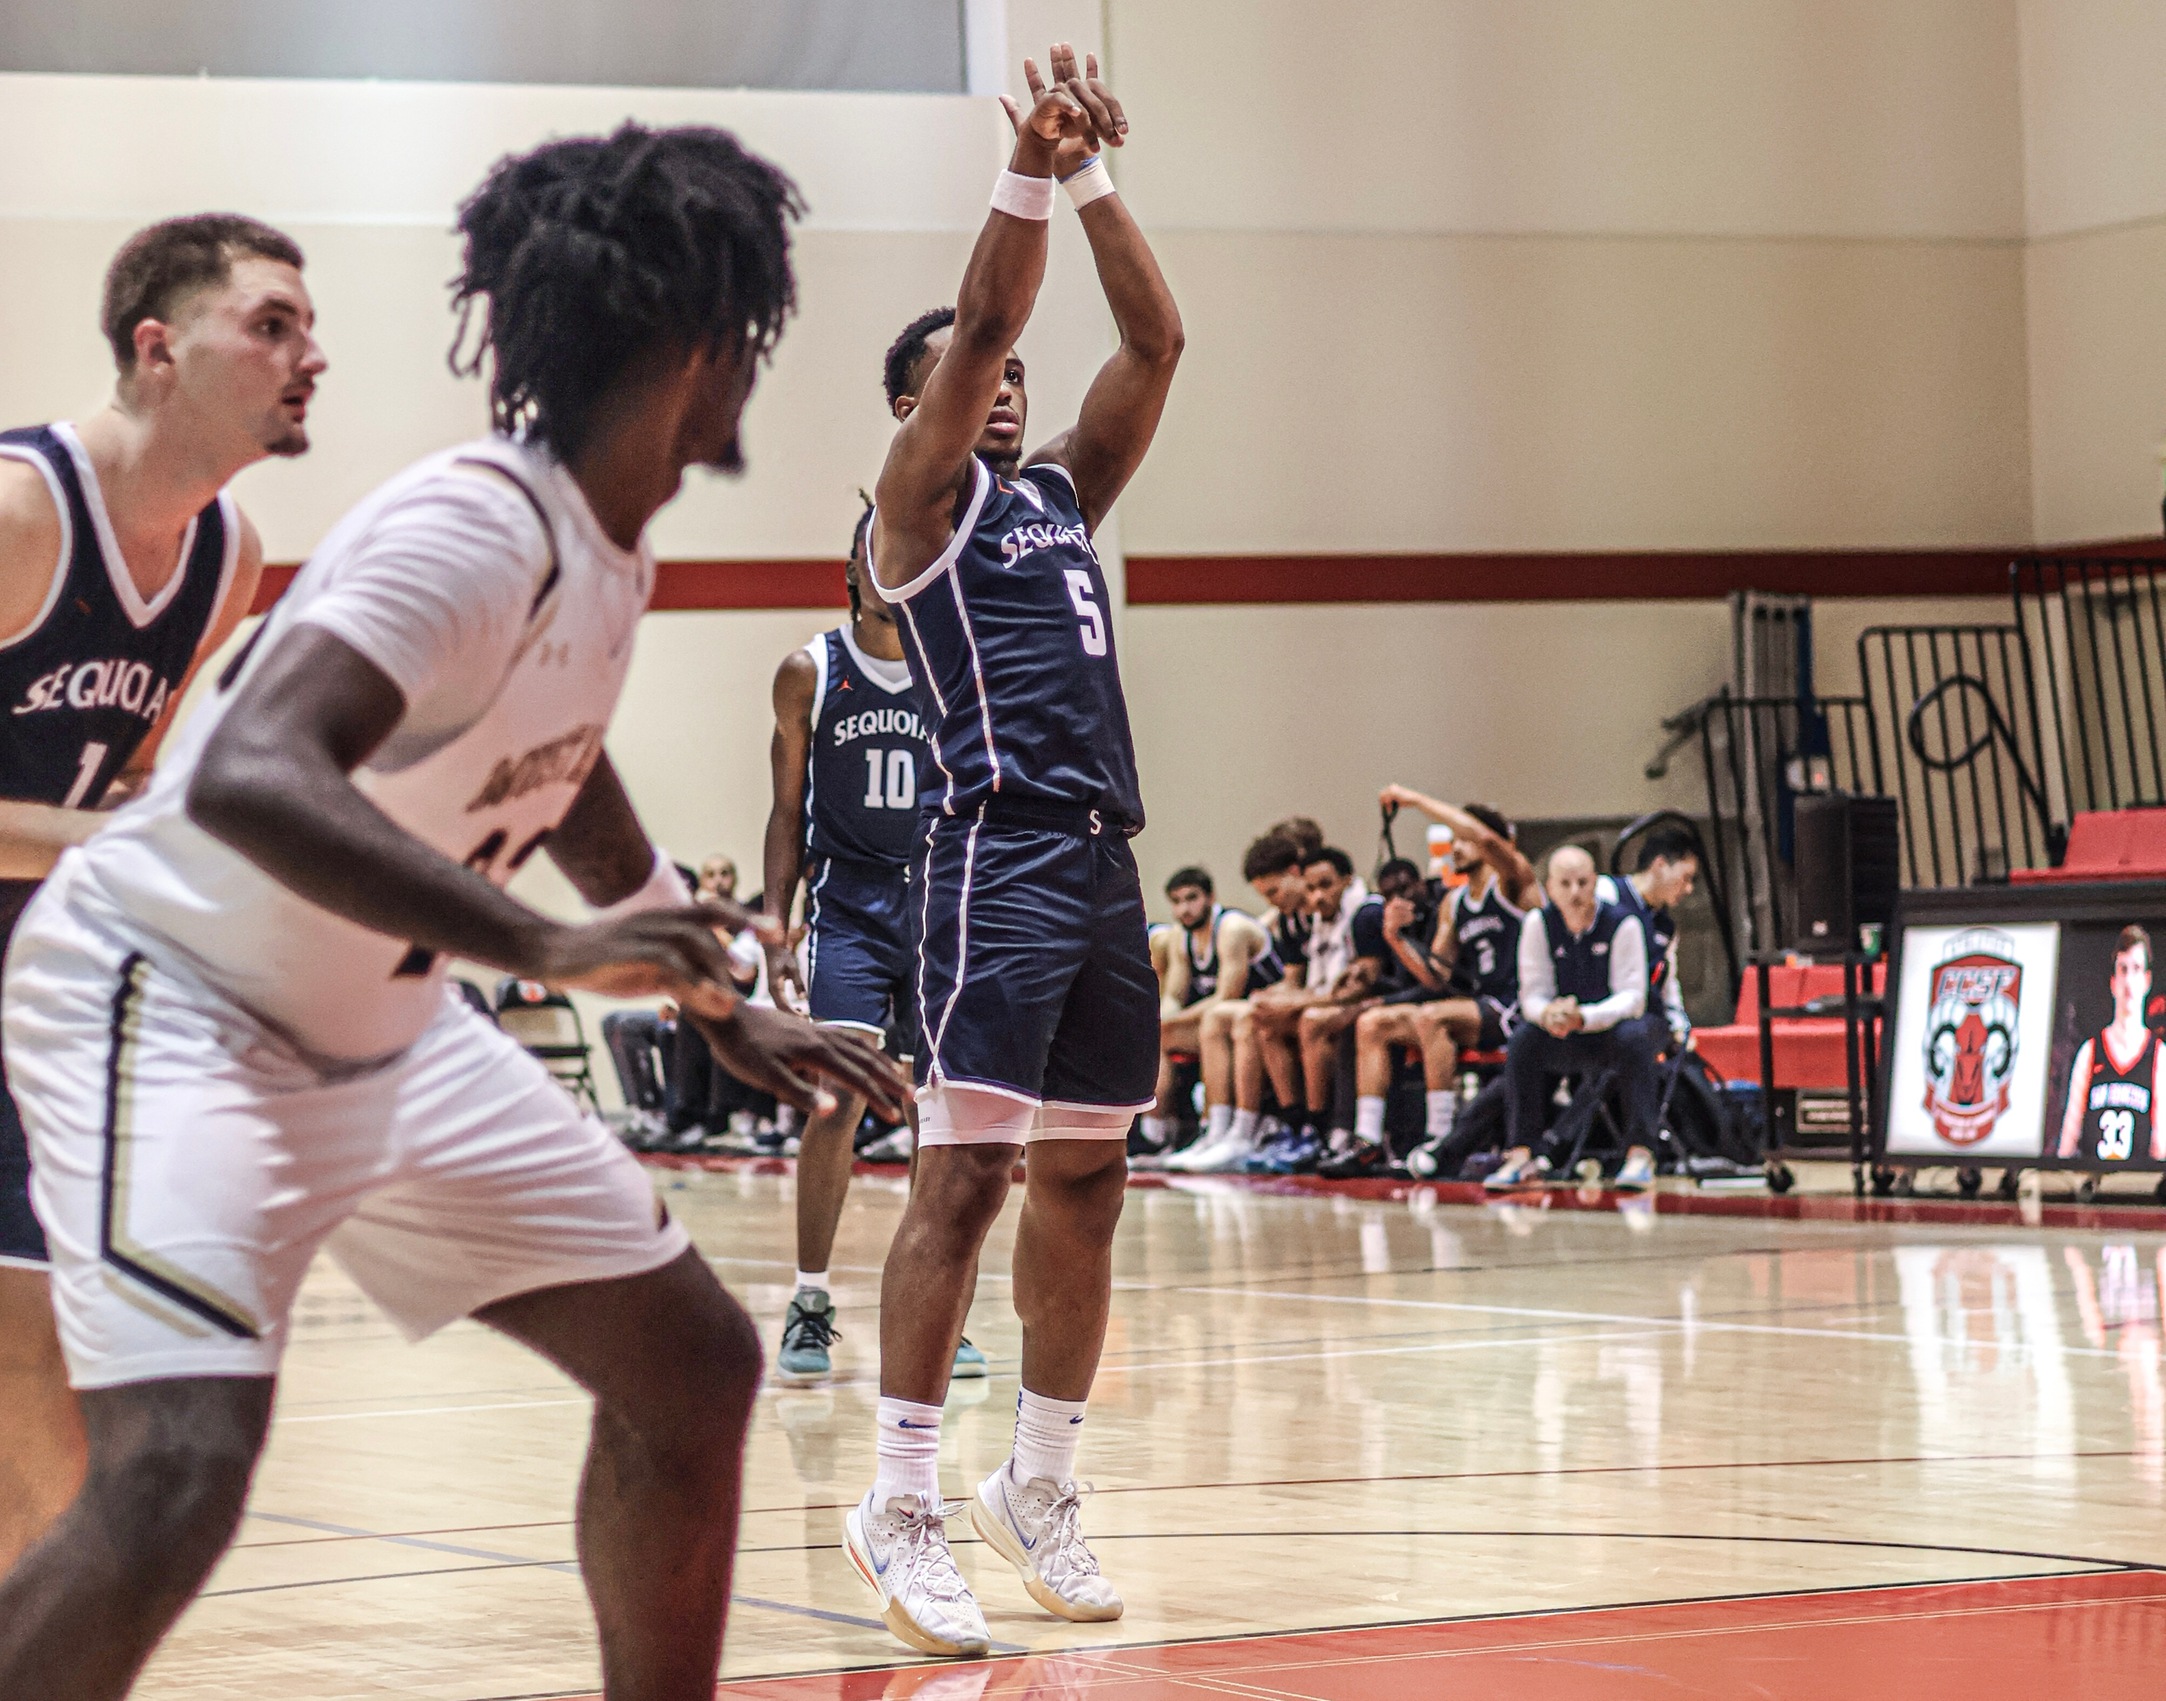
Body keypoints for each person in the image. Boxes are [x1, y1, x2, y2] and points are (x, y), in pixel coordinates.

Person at [0, 125, 910, 1701]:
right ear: (699, 349)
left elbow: (558, 756)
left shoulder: (597, 539)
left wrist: (699, 978)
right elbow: (253, 777)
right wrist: (555, 950)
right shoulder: (471, 523)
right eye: (752, 337)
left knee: (691, 1366)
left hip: (386, 1030)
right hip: (182, 1007)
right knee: (174, 1472)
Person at [847, 44, 1181, 1659]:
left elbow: (1155, 339)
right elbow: (988, 325)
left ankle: (1034, 1481)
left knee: (1089, 1178)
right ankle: (901, 1498)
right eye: (980, 384)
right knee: (964, 1177)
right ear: (923, 406)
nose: (1009, 396)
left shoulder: (1056, 496)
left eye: (1013, 394)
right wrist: (1026, 168)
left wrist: (1100, 169)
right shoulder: (918, 510)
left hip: (1102, 858)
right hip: (991, 854)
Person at [0, 214, 307, 1575]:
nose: (312, 356)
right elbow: (97, 831)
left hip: (33, 989)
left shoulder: (225, 554)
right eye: (272, 325)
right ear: (155, 348)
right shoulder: (17, 515)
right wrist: (127, 848)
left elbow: (120, 780)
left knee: (46, 1363)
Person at [758, 508, 984, 1384]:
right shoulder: (808, 671)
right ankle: (811, 1297)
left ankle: (941, 1307)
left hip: (938, 912)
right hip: (849, 908)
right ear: (851, 568)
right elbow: (786, 813)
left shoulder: (954, 666)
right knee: (835, 1100)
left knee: (946, 1114)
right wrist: (779, 927)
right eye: (872, 550)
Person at [1350, 792, 1539, 1179]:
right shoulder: (1455, 903)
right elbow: (1436, 976)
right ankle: (1365, 1141)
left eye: (1463, 838)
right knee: (1373, 1024)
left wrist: (1414, 801)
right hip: (1482, 1005)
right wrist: (1395, 938)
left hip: (1520, 1006)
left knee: (1431, 1017)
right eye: (1453, 841)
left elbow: (1487, 840)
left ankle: (1441, 1136)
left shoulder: (1512, 882)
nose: (1456, 847)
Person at [1486, 845, 1651, 1190]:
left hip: (1610, 1029)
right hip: (1565, 1031)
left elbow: (1633, 998)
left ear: (1595, 883)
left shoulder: (1624, 924)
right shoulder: (1538, 924)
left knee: (1636, 1036)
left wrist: (1583, 1017)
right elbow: (1531, 993)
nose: (1575, 892)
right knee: (1524, 1041)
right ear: (1549, 888)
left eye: (1582, 882)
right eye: (1565, 883)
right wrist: (1548, 1014)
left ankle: (1640, 1153)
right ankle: (1521, 1154)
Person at [1178, 833, 1313, 1172]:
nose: (1272, 901)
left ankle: (1244, 1128)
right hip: (1291, 1004)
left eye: (1273, 892)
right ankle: (1214, 1129)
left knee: (1238, 1017)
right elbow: (1294, 979)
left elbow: (1229, 995)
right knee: (1214, 1020)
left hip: (1297, 1009)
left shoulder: (1234, 927)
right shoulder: (1288, 917)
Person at [1140, 865, 1281, 1160]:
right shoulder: (1182, 936)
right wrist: (1162, 1020)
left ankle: (1224, 1129)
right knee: (1158, 1034)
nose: (1184, 909)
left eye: (1192, 899)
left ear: (1210, 897)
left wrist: (1174, 1019)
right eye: (1177, 902)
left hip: (1267, 1015)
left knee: (1212, 1020)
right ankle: (1155, 1134)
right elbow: (1175, 995)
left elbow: (1226, 995)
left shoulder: (1232, 929)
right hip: (1225, 1021)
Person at [1596, 825, 1700, 1187]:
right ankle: (1531, 1148)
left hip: (1643, 1020)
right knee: (1530, 1046)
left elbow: (1669, 984)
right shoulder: (1606, 893)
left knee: (1634, 1038)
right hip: (1597, 1015)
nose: (1688, 890)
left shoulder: (1666, 926)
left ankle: (1640, 1152)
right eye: (1685, 878)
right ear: (1659, 865)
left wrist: (1681, 1024)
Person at [2057, 925, 2164, 1162]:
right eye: (2123, 969)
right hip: (2090, 1185)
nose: (2129, 980)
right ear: (2113, 982)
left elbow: (2161, 1150)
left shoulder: (2159, 1055)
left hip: (2134, 1189)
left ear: (2147, 980)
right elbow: (2066, 1146)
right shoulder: (2090, 1051)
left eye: (2136, 969)